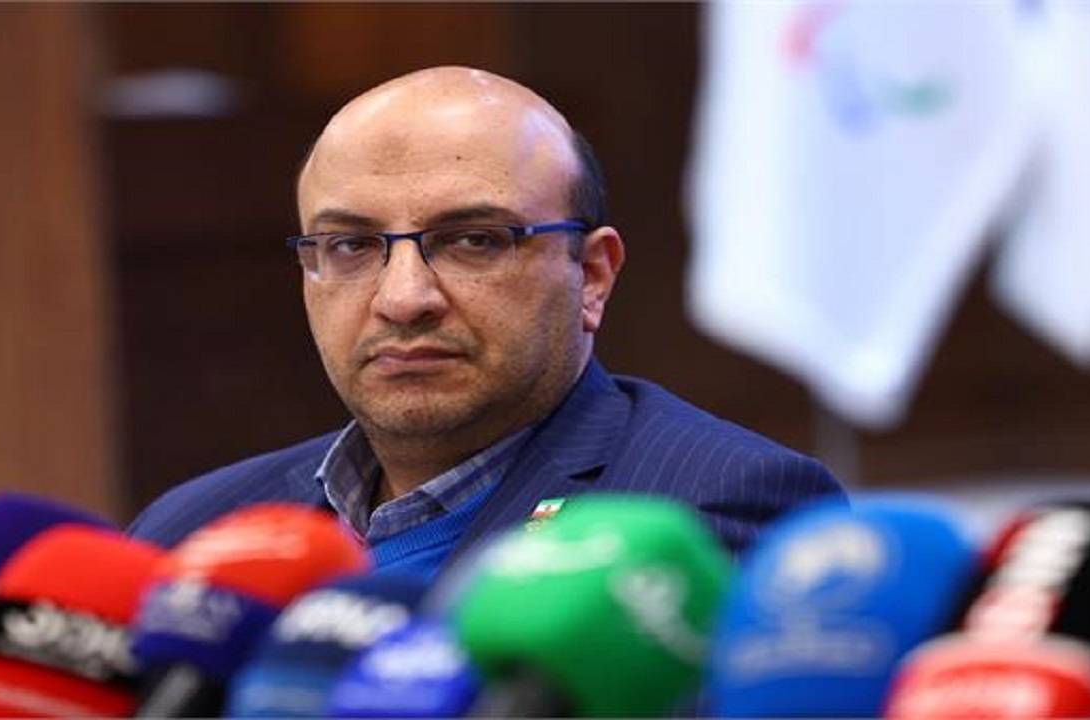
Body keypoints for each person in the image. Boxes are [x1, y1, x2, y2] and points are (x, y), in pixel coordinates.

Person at [127, 65, 846, 578]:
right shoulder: (192, 532)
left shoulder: (711, 511)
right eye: (350, 246)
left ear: (593, 275)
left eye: (473, 240)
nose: (403, 298)